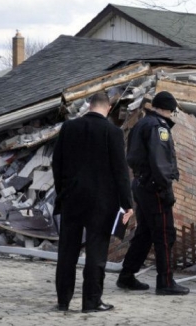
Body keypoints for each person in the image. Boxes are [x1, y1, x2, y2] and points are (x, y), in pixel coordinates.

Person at [51, 92, 134, 313]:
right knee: (96, 254)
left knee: (67, 251)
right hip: (101, 202)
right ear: (108, 108)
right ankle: (91, 301)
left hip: (71, 199)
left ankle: (63, 301)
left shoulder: (69, 128)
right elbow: (120, 171)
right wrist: (128, 203)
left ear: (89, 106)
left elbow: (56, 163)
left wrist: (62, 192)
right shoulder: (113, 132)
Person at [116, 91, 189, 295]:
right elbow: (160, 161)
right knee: (165, 234)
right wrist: (165, 187)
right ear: (168, 109)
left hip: (141, 184)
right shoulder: (159, 127)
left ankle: (127, 276)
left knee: (145, 233)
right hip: (154, 186)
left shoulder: (142, 123)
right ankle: (165, 282)